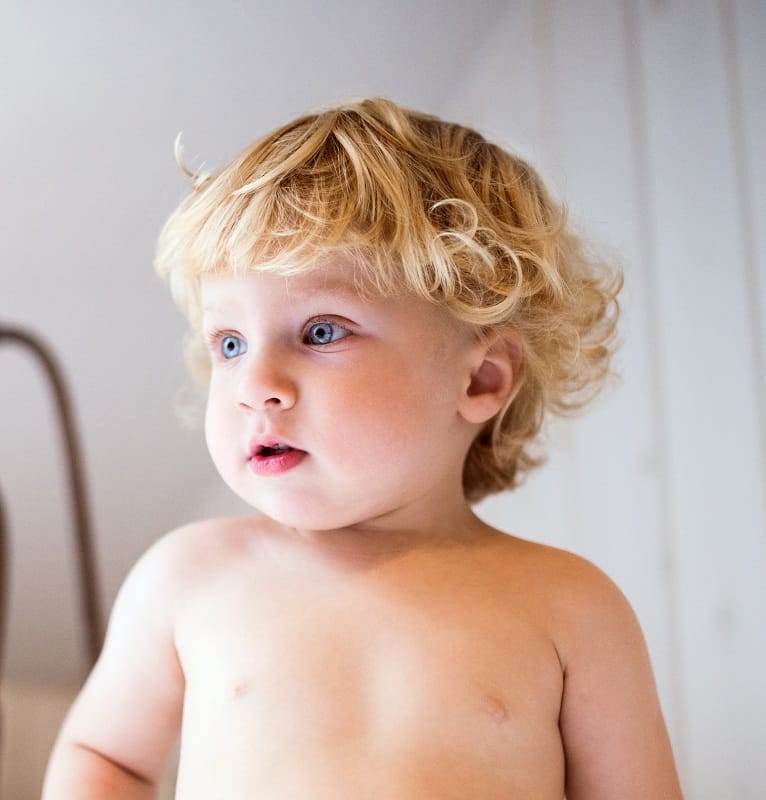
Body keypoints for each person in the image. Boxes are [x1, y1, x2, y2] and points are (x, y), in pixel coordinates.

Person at [43, 97, 682, 799]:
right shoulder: (189, 578)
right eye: (230, 343)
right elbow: (105, 755)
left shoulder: (573, 609)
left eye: (321, 331)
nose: (255, 385)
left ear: (481, 377)